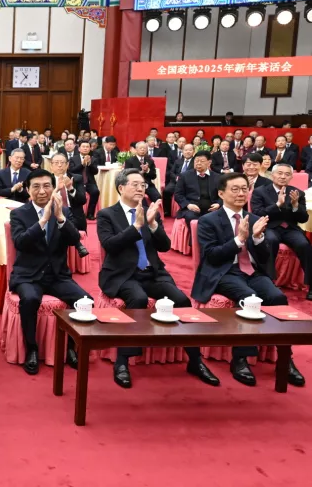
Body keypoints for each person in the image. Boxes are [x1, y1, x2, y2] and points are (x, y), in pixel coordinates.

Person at [97, 169, 219, 388]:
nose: (140, 189)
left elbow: (164, 246)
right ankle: (123, 360)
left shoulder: (151, 212)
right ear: (121, 187)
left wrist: (152, 225)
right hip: (122, 274)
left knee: (181, 300)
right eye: (134, 184)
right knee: (138, 299)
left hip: (152, 272)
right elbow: (110, 246)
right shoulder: (107, 214)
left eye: (143, 185)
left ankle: (195, 359)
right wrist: (136, 226)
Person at [191, 172, 305, 387]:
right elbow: (212, 256)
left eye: (244, 189)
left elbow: (263, 259)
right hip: (223, 272)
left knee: (278, 297)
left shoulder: (254, 219)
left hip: (252, 271)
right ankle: (241, 358)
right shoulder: (208, 221)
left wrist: (258, 238)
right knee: (250, 299)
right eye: (235, 189)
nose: (241, 193)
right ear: (221, 193)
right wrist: (239, 239)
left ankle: (285, 357)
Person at [9, 169, 91, 375]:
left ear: (53, 188)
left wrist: (60, 217)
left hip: (57, 274)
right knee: (29, 299)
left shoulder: (62, 210)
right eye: (36, 186)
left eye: (46, 186)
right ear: (28, 190)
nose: (42, 191)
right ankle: (32, 349)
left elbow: (74, 239)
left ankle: (72, 347)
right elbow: (21, 242)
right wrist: (43, 221)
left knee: (85, 301)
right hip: (28, 274)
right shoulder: (18, 213)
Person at [250, 163, 312, 300]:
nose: (283, 177)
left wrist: (296, 206)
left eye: (287, 174)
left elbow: (303, 219)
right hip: (269, 226)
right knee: (271, 240)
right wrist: (277, 205)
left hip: (290, 229)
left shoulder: (297, 193)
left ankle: (310, 285)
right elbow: (257, 213)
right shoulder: (260, 191)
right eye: (280, 173)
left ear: (291, 177)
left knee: (304, 245)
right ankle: (269, 281)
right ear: (272, 175)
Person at [174, 150, 221, 225]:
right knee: (191, 218)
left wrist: (218, 204)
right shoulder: (185, 176)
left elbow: (224, 194)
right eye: (196, 161)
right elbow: (178, 194)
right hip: (192, 209)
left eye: (202, 161)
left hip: (212, 209)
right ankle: (195, 237)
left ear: (209, 162)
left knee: (219, 218)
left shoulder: (217, 177)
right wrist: (188, 205)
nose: (198, 163)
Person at [49, 153, 88, 241]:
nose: (59, 165)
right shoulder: (47, 180)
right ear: (51, 166)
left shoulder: (76, 178)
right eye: (56, 163)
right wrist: (57, 189)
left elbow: (82, 200)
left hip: (73, 213)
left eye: (62, 163)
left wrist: (70, 188)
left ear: (67, 165)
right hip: (53, 213)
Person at [163, 143, 195, 217]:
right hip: (176, 181)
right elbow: (171, 173)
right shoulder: (178, 161)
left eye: (190, 150)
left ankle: (185, 210)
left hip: (189, 182)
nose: (188, 152)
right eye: (186, 150)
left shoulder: (195, 162)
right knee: (166, 191)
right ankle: (167, 211)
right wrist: (176, 178)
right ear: (183, 151)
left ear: (193, 151)